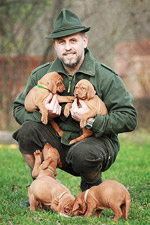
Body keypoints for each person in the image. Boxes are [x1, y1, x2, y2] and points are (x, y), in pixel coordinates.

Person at [12, 8, 137, 206]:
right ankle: (44, 189)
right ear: (55, 45)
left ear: (84, 41)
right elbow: (18, 108)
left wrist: (93, 120)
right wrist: (44, 114)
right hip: (58, 141)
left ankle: (91, 187)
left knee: (83, 154)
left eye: (73, 41)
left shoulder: (105, 76)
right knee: (26, 131)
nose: (67, 47)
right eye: (62, 42)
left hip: (95, 144)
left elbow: (129, 117)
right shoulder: (41, 75)